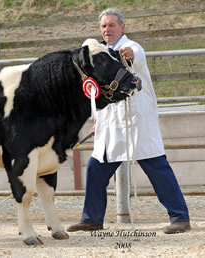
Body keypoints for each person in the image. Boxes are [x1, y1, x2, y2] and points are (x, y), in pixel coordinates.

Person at [67, 8, 190, 234]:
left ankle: (180, 217)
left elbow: (135, 54)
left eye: (112, 25)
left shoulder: (132, 47)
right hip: (111, 125)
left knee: (157, 168)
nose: (107, 30)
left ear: (122, 27)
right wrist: (98, 119)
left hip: (136, 122)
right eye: (104, 26)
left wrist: (129, 54)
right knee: (95, 169)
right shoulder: (100, 55)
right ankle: (92, 218)